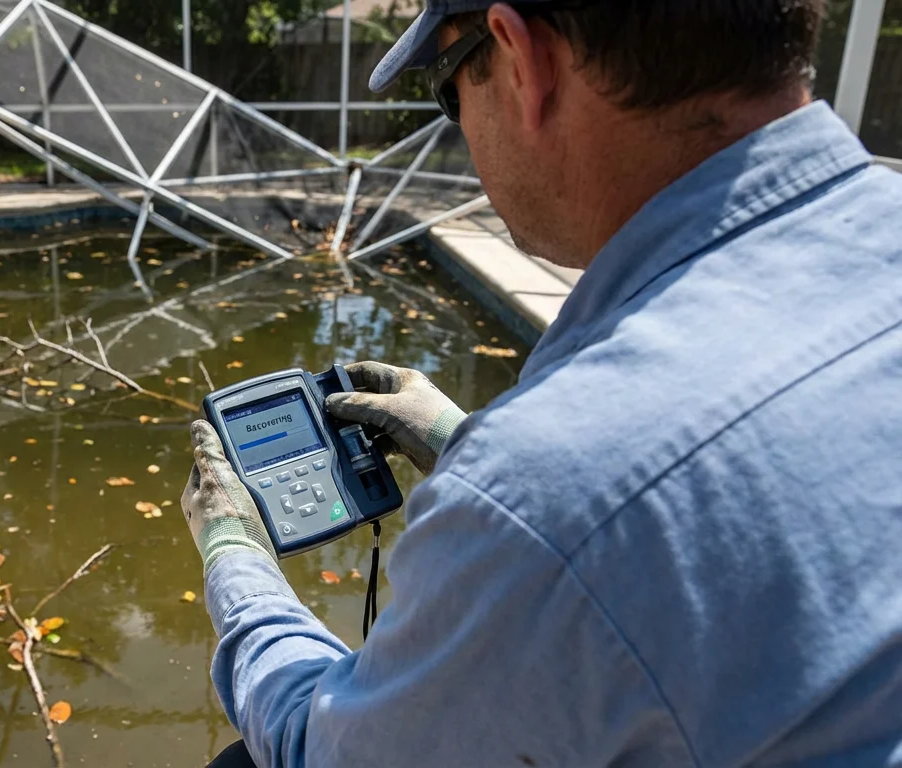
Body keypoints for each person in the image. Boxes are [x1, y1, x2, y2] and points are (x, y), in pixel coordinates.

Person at [181, 0, 902, 765]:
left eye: (448, 87)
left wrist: (236, 559)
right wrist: (462, 443)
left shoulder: (547, 492)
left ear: (522, 60)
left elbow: (324, 753)